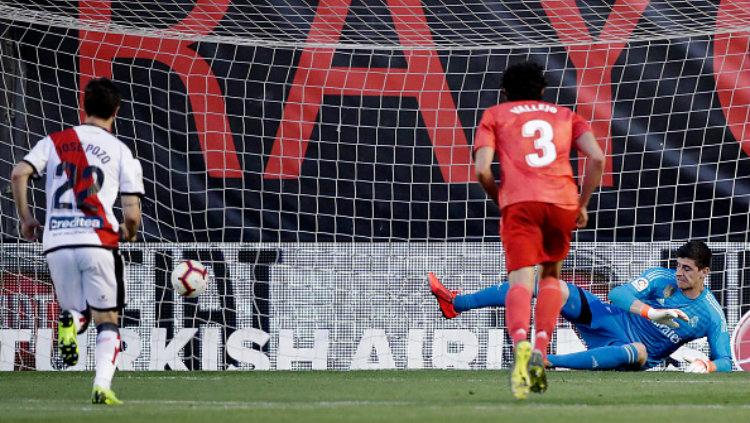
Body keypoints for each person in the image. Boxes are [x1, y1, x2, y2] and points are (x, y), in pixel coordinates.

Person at [430, 61, 605, 399]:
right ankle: (542, 347)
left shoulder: (495, 114)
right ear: (543, 89)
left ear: (504, 91)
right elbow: (596, 158)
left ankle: (521, 344)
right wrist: (582, 203)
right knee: (551, 276)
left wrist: (502, 198)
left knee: (521, 280)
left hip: (520, 204)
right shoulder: (567, 115)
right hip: (561, 202)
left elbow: (482, 170)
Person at [10, 77, 144, 405]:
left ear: (84, 106)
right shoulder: (121, 151)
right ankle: (101, 385)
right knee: (107, 318)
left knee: (76, 311)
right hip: (97, 240)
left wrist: (27, 219)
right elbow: (131, 213)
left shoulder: (54, 141)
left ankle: (70, 320)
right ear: (116, 110)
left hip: (56, 241)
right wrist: (129, 232)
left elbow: (18, 173)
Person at [429, 240, 733, 373]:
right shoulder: (660, 277)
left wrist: (706, 366)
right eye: (678, 266)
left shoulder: (710, 314)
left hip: (634, 352)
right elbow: (617, 294)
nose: (679, 273)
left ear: (705, 272)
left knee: (638, 350)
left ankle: (546, 361)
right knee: (550, 285)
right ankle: (456, 303)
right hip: (609, 320)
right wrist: (652, 312)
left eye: (688, 269)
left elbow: (726, 362)